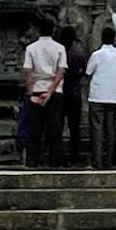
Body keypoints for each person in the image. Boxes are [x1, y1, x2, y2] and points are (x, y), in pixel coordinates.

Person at [21, 15, 67, 168]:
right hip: (54, 89)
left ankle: (34, 158)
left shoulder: (31, 48)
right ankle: (55, 160)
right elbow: (61, 72)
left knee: (36, 127)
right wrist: (50, 91)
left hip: (37, 87)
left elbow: (28, 71)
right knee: (54, 126)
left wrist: (30, 93)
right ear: (53, 30)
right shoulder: (60, 48)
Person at [84, 24, 116, 170]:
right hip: (112, 96)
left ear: (101, 38)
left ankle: (97, 160)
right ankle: (109, 160)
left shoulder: (97, 55)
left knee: (97, 129)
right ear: (114, 39)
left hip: (97, 96)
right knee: (110, 129)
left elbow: (88, 72)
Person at [59, 24, 88, 165]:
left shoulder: (58, 54)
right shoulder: (78, 55)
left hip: (59, 92)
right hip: (75, 93)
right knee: (74, 127)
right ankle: (74, 157)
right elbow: (84, 71)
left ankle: (57, 156)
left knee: (57, 125)